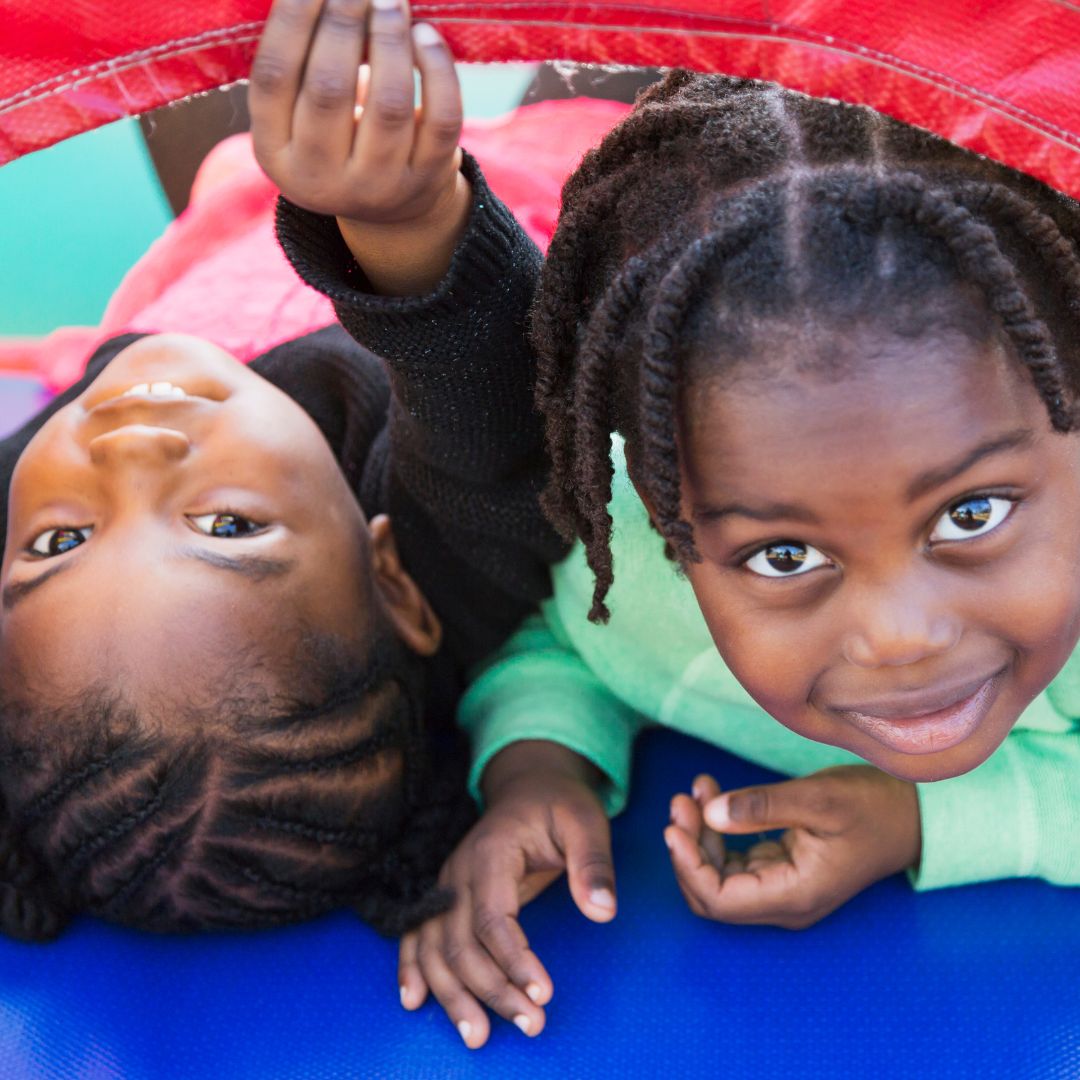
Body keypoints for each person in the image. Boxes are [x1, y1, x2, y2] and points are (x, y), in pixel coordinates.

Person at [394, 71, 1080, 1047]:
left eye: (972, 514)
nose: (901, 637)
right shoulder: (641, 553)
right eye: (787, 554)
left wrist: (916, 822)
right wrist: (539, 770)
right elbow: (567, 641)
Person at [0, 0, 563, 941]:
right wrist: (407, 219)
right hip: (524, 170)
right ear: (393, 583)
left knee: (161, 25)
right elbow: (492, 390)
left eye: (61, 541)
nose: (127, 452)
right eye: (227, 526)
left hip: (228, 211)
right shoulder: (441, 554)